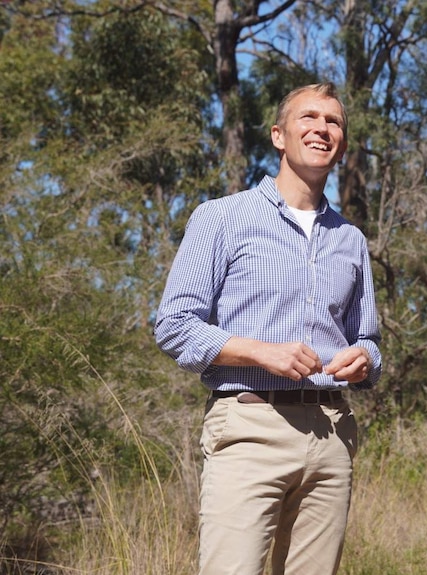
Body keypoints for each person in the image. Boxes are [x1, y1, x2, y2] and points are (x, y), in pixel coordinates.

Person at [154, 82, 382, 575]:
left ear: (341, 142)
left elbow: (369, 340)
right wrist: (261, 353)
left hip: (332, 435)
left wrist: (366, 360)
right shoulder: (221, 218)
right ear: (279, 135)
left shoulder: (351, 239)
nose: (323, 128)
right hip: (249, 427)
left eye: (334, 122)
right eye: (310, 118)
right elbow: (173, 326)